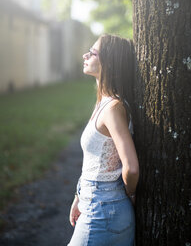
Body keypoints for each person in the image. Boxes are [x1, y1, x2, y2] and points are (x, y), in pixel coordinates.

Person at [67, 34, 139, 246]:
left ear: (109, 62)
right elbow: (95, 160)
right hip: (96, 204)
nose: (85, 55)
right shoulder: (104, 103)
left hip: (104, 211)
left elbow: (131, 168)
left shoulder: (114, 108)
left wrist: (128, 196)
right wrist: (78, 197)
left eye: (93, 52)